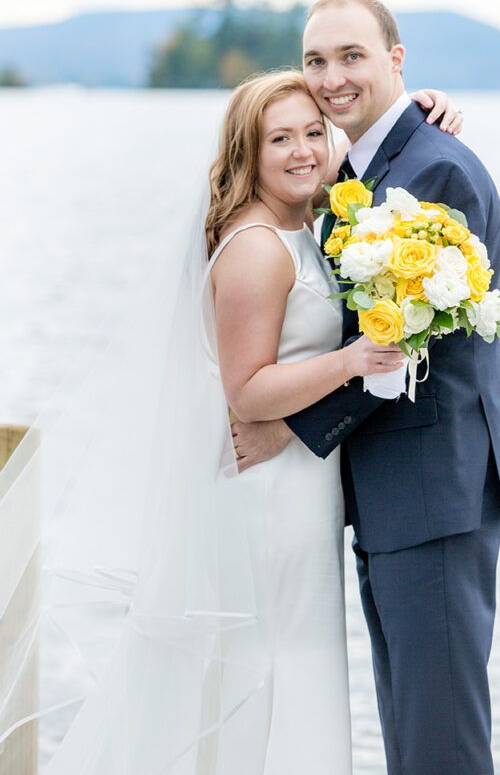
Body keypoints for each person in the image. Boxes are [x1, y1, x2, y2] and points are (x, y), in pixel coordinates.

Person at [1, 67, 460, 773]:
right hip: (265, 498)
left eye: (314, 133)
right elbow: (246, 393)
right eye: (280, 138)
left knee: (284, 661)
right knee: (264, 664)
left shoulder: (300, 222)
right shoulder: (254, 246)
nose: (303, 150)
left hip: (298, 485)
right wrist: (352, 360)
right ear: (248, 152)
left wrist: (423, 108)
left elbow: (369, 138)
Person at [231, 0, 500, 775]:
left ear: (396, 59)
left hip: (433, 488)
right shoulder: (367, 164)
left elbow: (399, 357)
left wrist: (286, 428)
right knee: (413, 723)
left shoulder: (432, 173)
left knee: (438, 738)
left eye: (352, 56)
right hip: (399, 492)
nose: (331, 78)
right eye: (316, 60)